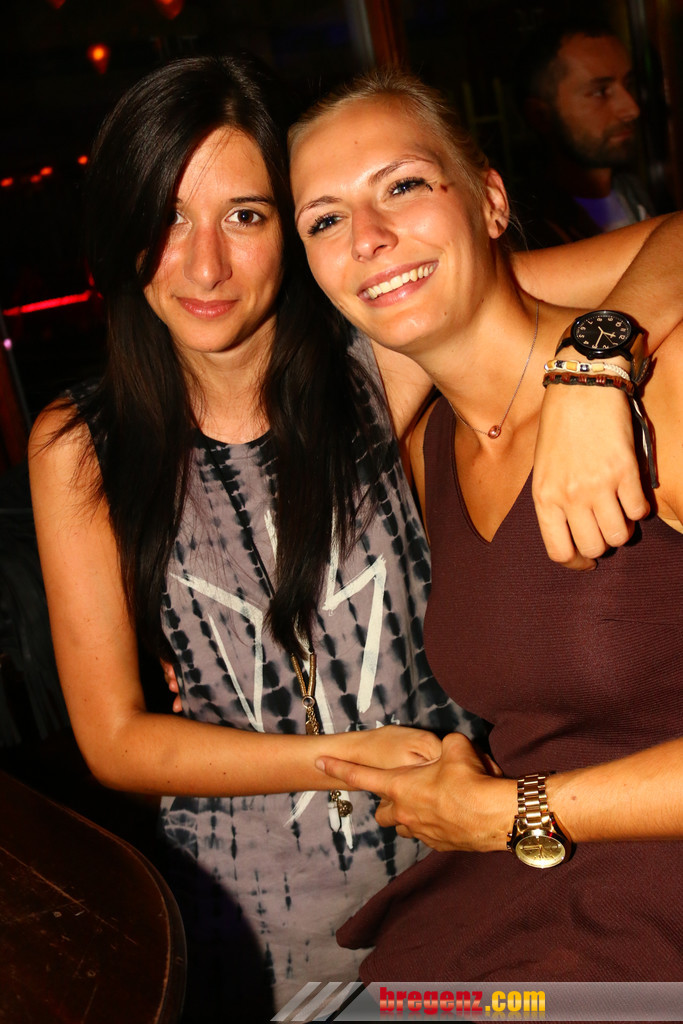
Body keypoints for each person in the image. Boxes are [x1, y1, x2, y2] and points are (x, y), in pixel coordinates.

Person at [29, 54, 679, 1020]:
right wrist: (347, 752)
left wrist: (595, 361)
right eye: (166, 216)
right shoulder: (84, 442)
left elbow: (666, 243)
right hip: (254, 905)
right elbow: (115, 737)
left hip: (467, 865)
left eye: (246, 216)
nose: (204, 265)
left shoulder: (385, 356)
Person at [290, 67, 683, 983]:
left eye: (402, 185)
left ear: (490, 201)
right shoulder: (426, 445)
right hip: (533, 910)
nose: (368, 236)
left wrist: (516, 812)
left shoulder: (660, 392)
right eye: (325, 219)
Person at [512, 17, 657, 248]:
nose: (632, 109)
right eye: (600, 92)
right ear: (541, 115)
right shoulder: (530, 235)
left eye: (629, 85)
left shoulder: (637, 192)